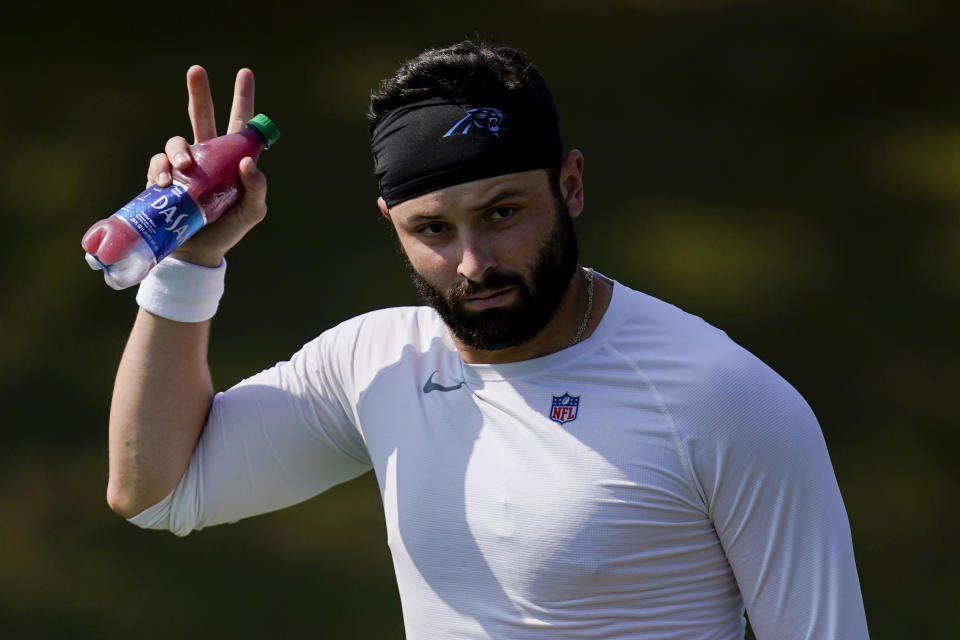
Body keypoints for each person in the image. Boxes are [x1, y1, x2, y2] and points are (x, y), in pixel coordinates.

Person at [106, 42, 870, 639]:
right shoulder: (376, 365)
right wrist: (189, 266)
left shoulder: (725, 398)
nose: (473, 263)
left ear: (570, 186)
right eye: (433, 230)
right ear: (392, 226)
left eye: (503, 213)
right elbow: (155, 491)